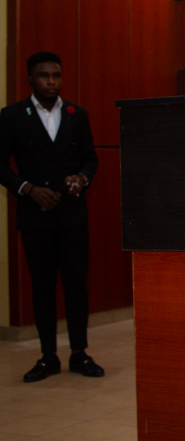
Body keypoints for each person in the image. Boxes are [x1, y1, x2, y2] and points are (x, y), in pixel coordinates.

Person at [0, 51, 103, 383]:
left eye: (56, 75)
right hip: (35, 216)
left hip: (72, 215)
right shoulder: (13, 115)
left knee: (76, 285)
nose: (51, 81)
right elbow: (0, 165)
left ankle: (79, 353)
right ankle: (48, 356)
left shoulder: (77, 114)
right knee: (42, 287)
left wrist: (81, 178)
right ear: (30, 79)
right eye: (44, 76)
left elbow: (90, 160)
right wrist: (27, 188)